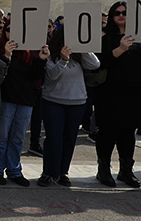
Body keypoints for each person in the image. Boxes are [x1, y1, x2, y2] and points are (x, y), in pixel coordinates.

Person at [94, 1, 141, 188]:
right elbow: (99, 63)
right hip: (110, 92)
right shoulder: (105, 38)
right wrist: (119, 49)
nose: (121, 15)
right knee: (108, 131)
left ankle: (126, 170)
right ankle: (103, 170)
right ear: (111, 16)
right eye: (117, 12)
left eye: (125, 12)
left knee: (128, 132)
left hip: (136, 92)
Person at [38, 26, 101, 187]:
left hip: (77, 102)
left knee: (69, 139)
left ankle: (62, 172)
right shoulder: (51, 55)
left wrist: (84, 48)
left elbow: (95, 64)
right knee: (54, 138)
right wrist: (64, 60)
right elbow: (51, 76)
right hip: (53, 101)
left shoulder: (80, 57)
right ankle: (48, 173)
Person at [0, 25, 49, 187]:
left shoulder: (32, 51)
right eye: (8, 29)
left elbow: (37, 76)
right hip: (6, 98)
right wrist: (7, 55)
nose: (10, 32)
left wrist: (41, 59)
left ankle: (14, 170)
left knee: (17, 138)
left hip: (26, 99)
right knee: (1, 136)